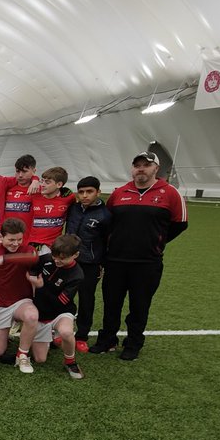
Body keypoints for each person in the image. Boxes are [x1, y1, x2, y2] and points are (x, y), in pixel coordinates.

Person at [91, 151, 188, 361]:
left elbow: (180, 224)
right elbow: (108, 224)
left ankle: (133, 344)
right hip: (116, 261)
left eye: (146, 165)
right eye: (137, 165)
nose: (141, 169)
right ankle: (107, 339)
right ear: (132, 169)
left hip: (147, 263)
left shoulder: (170, 193)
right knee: (111, 303)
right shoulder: (119, 193)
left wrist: (156, 243)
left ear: (156, 169)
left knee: (139, 305)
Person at [0, 218, 41, 371]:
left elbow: (34, 257)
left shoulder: (27, 250)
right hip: (0, 304)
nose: (16, 243)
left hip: (22, 301)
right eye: (11, 240)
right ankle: (10, 328)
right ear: (1, 238)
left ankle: (22, 355)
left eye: (19, 239)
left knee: (32, 316)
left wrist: (2, 259)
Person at [27, 234, 85, 379]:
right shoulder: (47, 258)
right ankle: (53, 338)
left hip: (61, 312)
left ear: (76, 255)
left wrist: (40, 287)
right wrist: (32, 275)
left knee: (66, 332)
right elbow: (33, 267)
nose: (57, 260)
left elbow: (60, 302)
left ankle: (70, 362)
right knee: (40, 359)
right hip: (41, 314)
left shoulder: (77, 275)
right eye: (55, 256)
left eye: (62, 258)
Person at [64, 176, 110, 353]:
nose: (85, 195)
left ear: (98, 192)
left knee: (86, 299)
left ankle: (82, 335)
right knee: (65, 296)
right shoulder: (73, 209)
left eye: (89, 192)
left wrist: (102, 264)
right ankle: (62, 330)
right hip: (68, 261)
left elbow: (107, 242)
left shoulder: (105, 215)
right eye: (81, 192)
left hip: (90, 264)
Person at [27, 166, 73, 249]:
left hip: (53, 246)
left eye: (47, 182)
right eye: (42, 181)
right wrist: (35, 179)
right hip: (32, 244)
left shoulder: (68, 197)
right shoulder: (35, 193)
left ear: (59, 184)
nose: (43, 185)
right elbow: (20, 179)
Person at [1, 155, 39, 232]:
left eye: (25, 171)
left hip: (28, 238)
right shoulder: (7, 187)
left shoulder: (39, 190)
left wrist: (35, 179)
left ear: (34, 171)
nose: (20, 175)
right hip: (8, 237)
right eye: (18, 171)